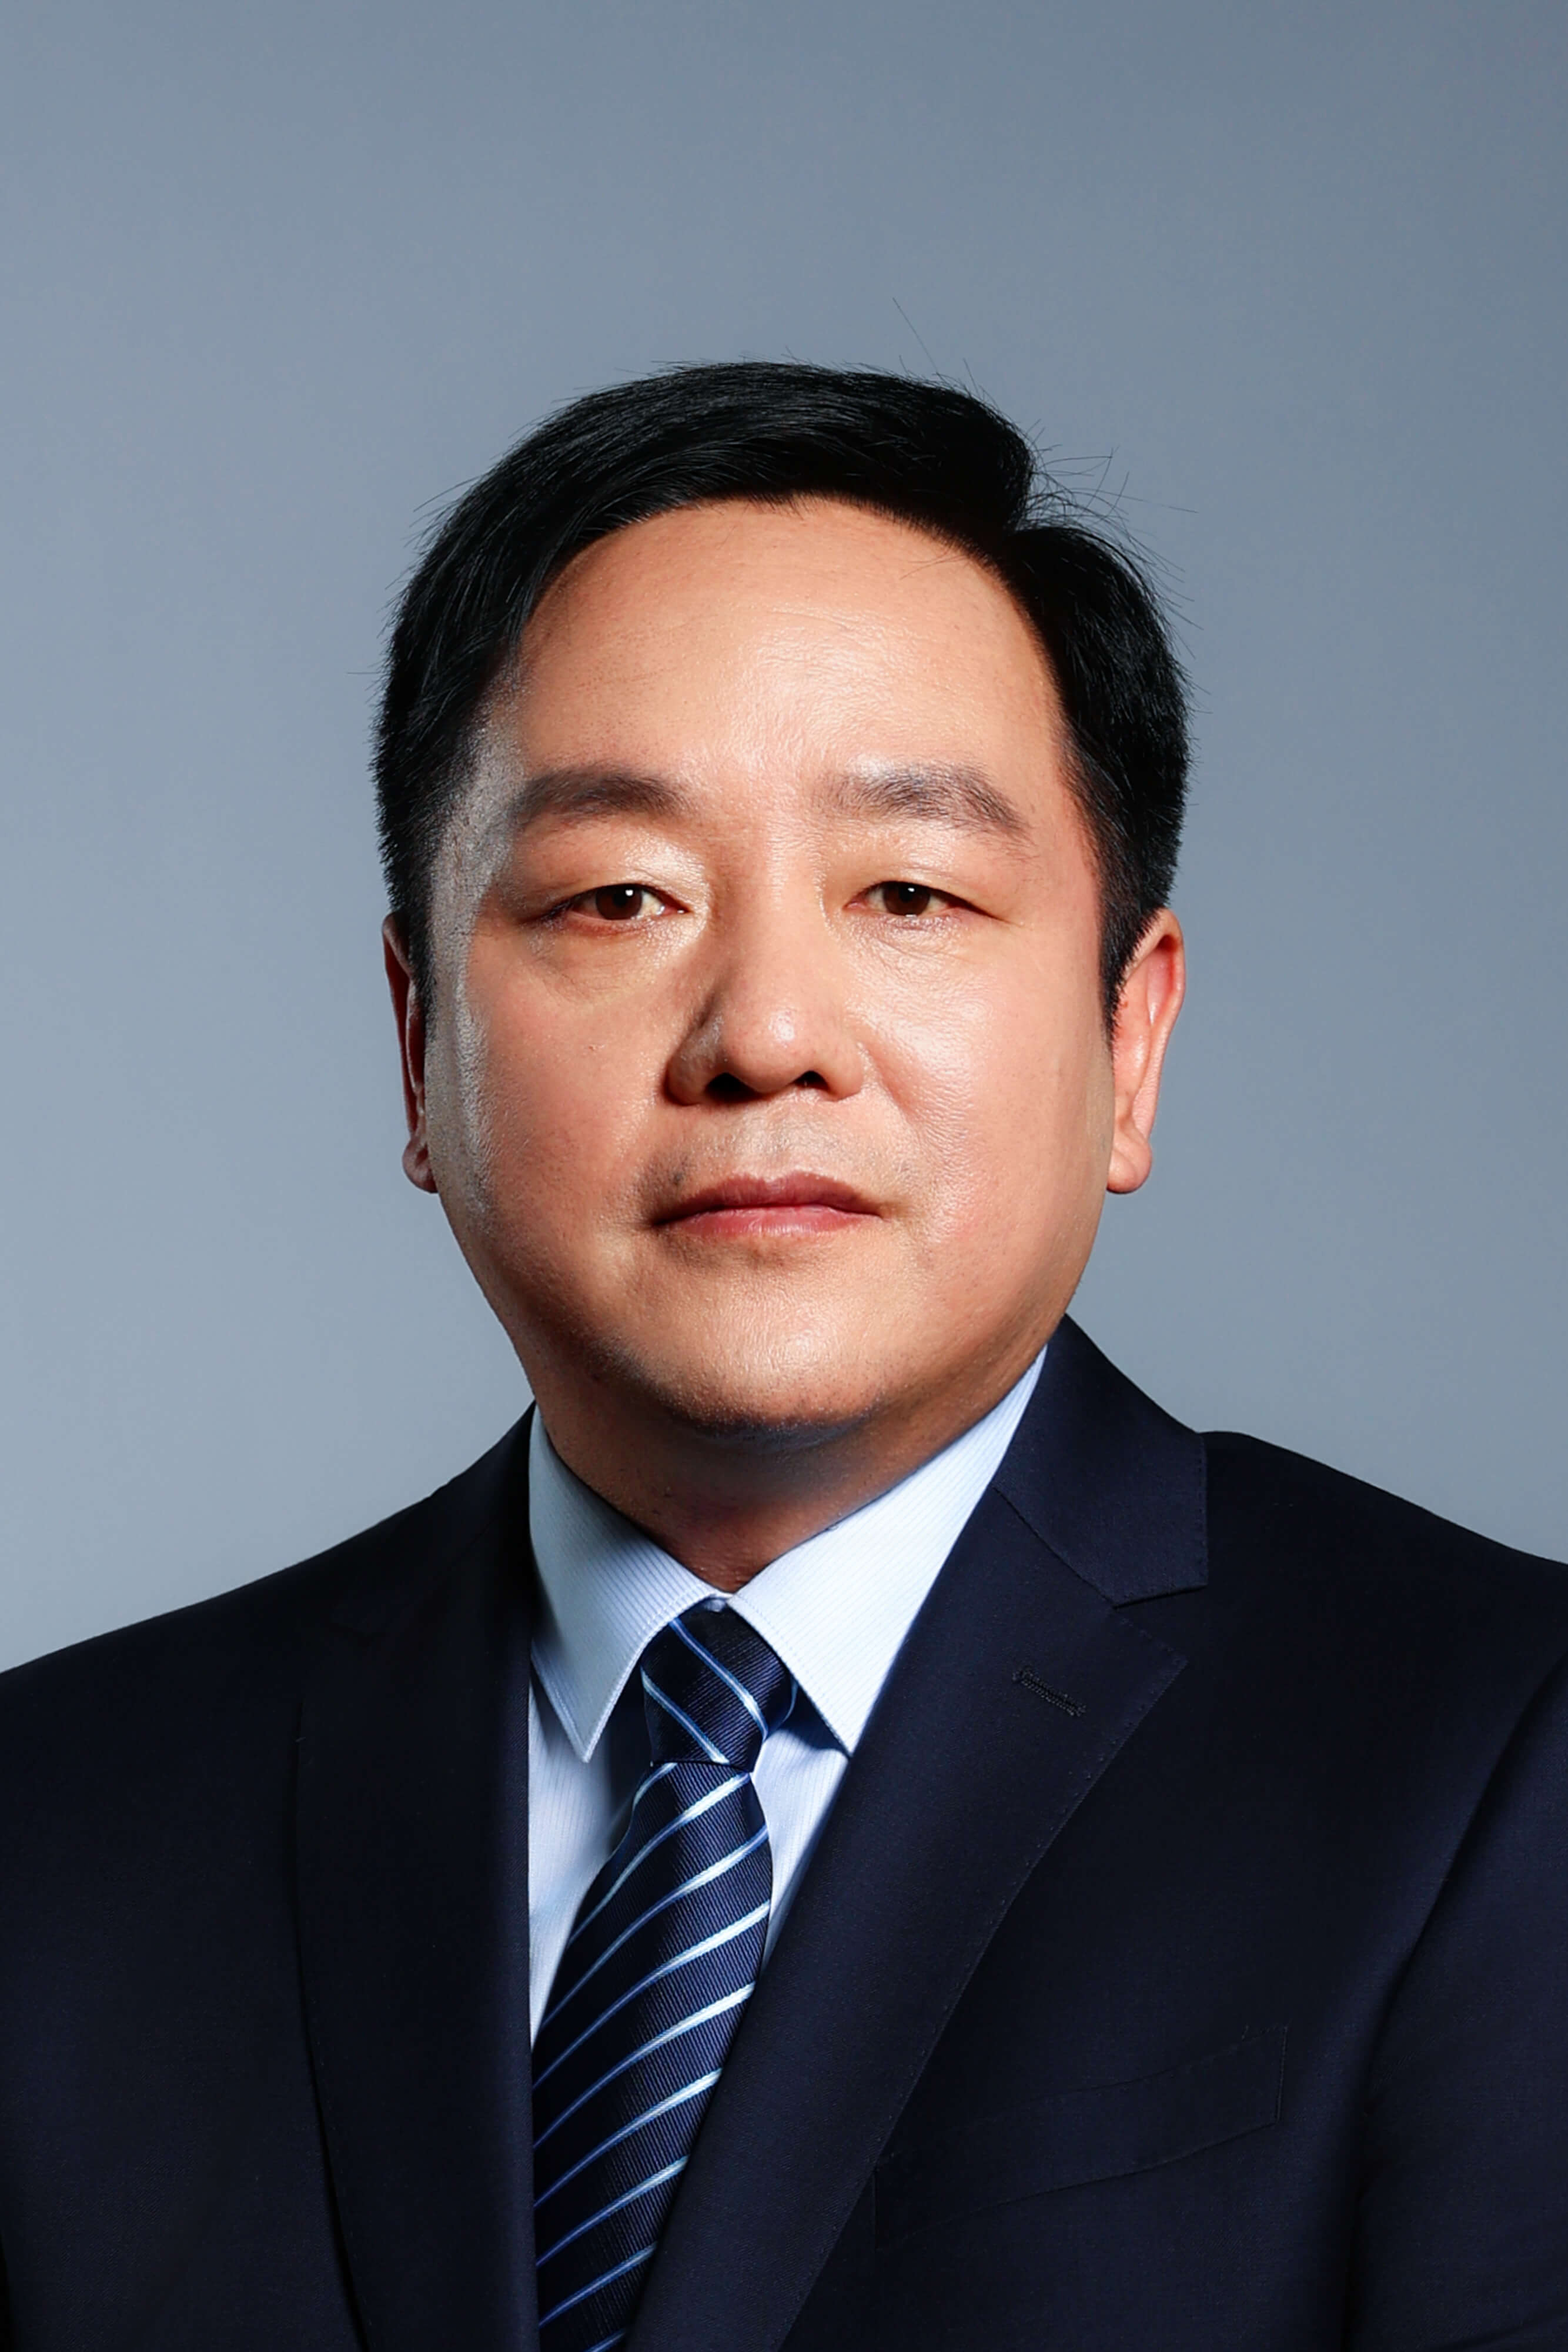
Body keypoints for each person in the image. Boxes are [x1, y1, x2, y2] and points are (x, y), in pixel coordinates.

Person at [0, 362, 1564, 2352]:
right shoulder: (57, 1828)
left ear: (1129, 1039)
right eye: (618, 897)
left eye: (907, 892)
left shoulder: (1491, 1763)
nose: (764, 1035)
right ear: (416, 1044)